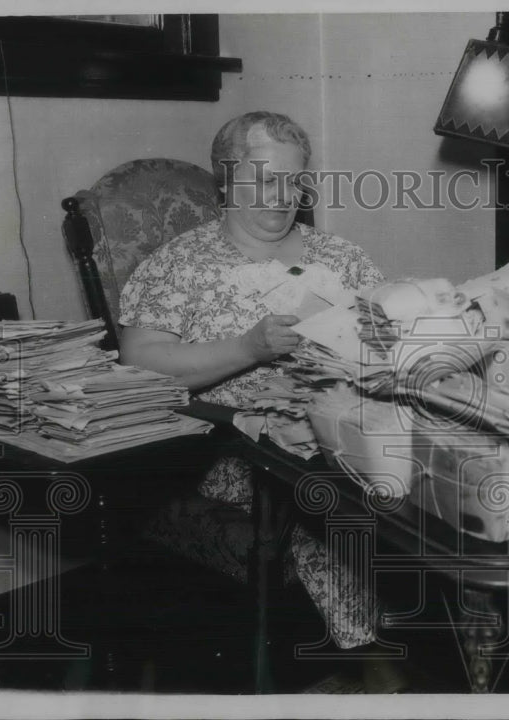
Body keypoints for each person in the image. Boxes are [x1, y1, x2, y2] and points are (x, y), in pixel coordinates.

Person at [117, 111, 405, 691]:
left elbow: (390, 345)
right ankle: (380, 663)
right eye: (261, 180)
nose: (281, 197)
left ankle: (447, 638)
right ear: (225, 182)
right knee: (328, 497)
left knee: (429, 474)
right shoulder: (181, 266)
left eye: (294, 181)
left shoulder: (341, 258)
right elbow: (139, 365)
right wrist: (250, 346)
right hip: (232, 450)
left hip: (350, 432)